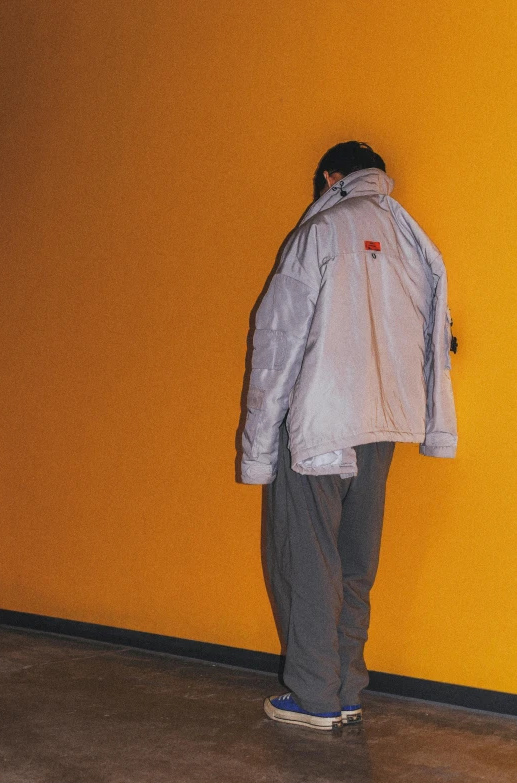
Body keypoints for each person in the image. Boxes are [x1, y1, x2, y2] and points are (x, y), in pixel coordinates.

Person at [240, 141, 458, 731]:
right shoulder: (413, 239)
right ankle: (347, 687)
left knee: (307, 561)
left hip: (316, 424)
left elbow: (277, 344)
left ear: (331, 177)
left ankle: (314, 697)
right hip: (383, 424)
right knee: (356, 561)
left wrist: (258, 450)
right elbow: (438, 333)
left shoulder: (320, 231)